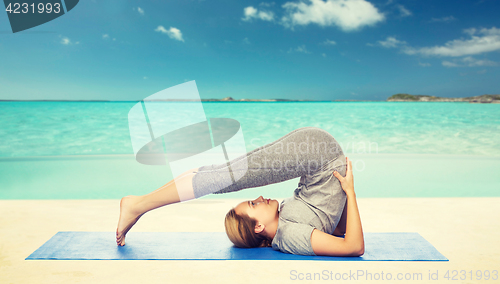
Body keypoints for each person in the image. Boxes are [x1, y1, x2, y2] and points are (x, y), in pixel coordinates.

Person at [116, 127, 364, 256]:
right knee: (222, 177)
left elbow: (336, 228)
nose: (258, 198)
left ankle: (138, 203)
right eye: (253, 205)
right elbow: (350, 244)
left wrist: (344, 192)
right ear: (258, 228)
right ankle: (137, 205)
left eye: (252, 202)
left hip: (316, 153)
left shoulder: (284, 220)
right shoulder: (289, 235)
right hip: (319, 153)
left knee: (220, 174)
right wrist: (350, 192)